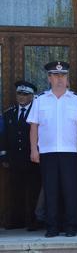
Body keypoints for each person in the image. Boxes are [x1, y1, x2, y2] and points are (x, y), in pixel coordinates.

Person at [27, 61, 77, 237]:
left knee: (70, 190)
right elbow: (34, 127)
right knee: (50, 190)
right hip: (47, 152)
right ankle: (51, 226)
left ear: (67, 78)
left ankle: (70, 226)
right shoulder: (40, 100)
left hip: (70, 152)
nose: (60, 79)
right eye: (56, 76)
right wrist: (33, 150)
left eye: (63, 76)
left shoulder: (76, 101)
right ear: (49, 78)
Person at [1, 81, 41, 230]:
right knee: (15, 190)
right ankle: (16, 221)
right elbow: (4, 136)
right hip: (15, 159)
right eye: (19, 94)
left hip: (32, 158)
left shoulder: (37, 112)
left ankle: (33, 221)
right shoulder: (9, 113)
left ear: (32, 96)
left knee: (33, 191)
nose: (22, 97)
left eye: (25, 94)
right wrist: (4, 156)